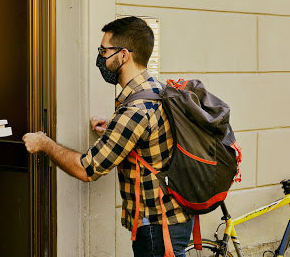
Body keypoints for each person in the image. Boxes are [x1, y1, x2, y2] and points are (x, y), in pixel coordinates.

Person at [23, 17, 193, 257]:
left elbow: (87, 169)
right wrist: (114, 127)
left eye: (104, 51)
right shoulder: (157, 90)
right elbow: (153, 137)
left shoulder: (134, 110)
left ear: (123, 55)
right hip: (174, 217)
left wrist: (45, 143)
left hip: (157, 226)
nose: (100, 57)